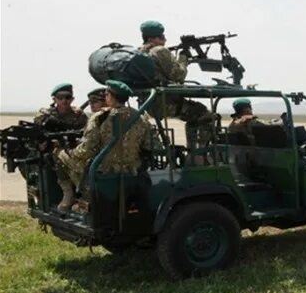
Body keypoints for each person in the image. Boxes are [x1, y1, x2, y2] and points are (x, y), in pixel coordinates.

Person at [54, 80, 152, 213]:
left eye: (106, 94)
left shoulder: (100, 118)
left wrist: (70, 151)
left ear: (111, 96)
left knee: (59, 154)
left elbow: (86, 150)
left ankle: (76, 196)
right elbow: (149, 146)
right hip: (132, 171)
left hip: (103, 172)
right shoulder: (141, 117)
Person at [139, 20, 214, 149]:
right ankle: (199, 154)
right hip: (166, 103)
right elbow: (179, 75)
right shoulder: (159, 51)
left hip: (149, 103)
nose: (165, 39)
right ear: (152, 38)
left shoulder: (140, 52)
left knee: (194, 115)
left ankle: (193, 152)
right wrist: (183, 58)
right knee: (206, 115)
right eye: (161, 37)